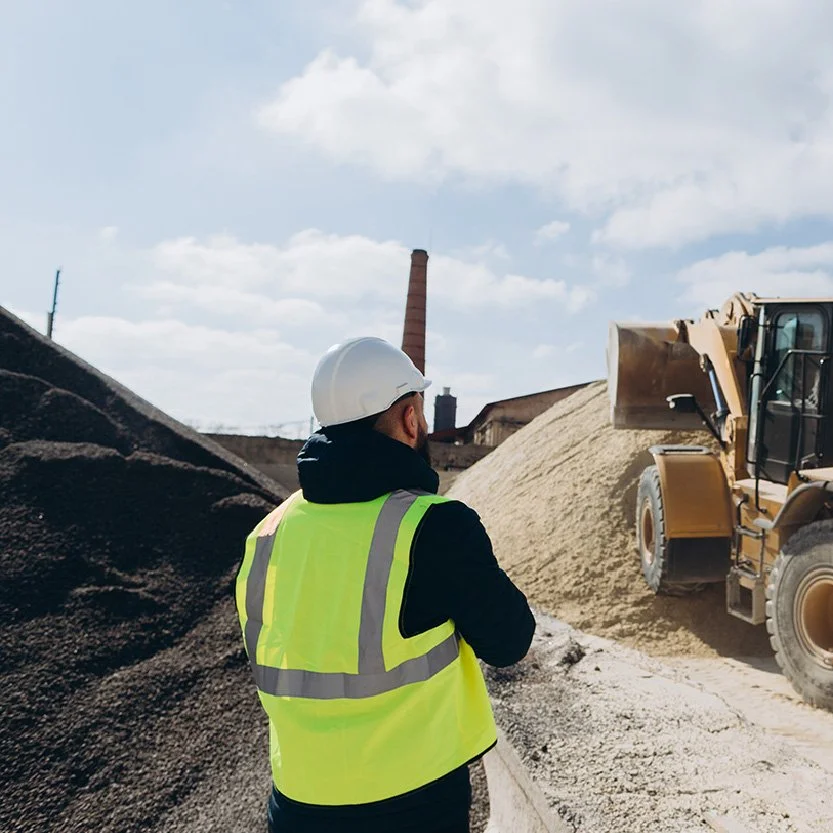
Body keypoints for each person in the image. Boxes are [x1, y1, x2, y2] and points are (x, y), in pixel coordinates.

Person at [236, 336, 535, 833]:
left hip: (297, 802)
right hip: (412, 805)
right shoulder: (434, 526)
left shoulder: (267, 533)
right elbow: (509, 641)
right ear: (411, 418)